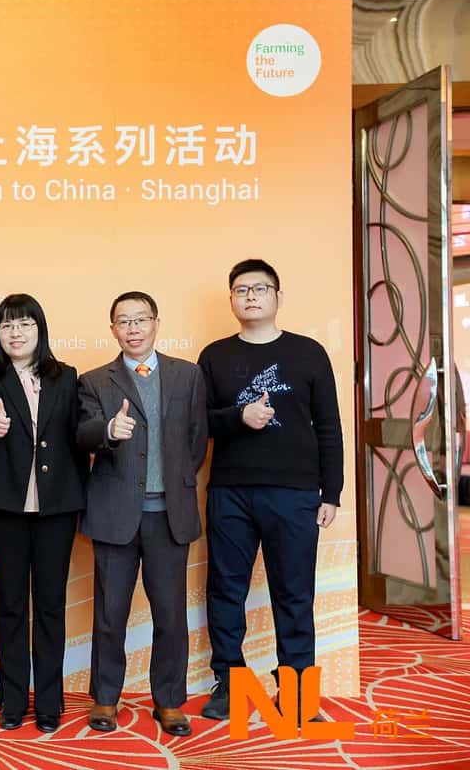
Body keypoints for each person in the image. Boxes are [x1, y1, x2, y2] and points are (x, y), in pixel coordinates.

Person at [197, 259, 342, 722]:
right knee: (225, 590)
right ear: (232, 300)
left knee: (294, 593)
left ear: (278, 296)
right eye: (241, 290)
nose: (251, 297)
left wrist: (332, 491)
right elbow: (198, 422)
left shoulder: (309, 352)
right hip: (231, 492)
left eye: (260, 289)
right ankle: (230, 684)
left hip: (295, 493)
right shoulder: (215, 355)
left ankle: (297, 692)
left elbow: (329, 426)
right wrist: (238, 417)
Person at [77, 291, 207, 738]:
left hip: (169, 515)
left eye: (140, 319)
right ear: (113, 329)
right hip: (115, 514)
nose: (133, 329)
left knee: (170, 615)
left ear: (156, 322)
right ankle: (105, 698)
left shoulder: (188, 375)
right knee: (110, 614)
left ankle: (169, 701)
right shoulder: (95, 380)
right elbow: (83, 433)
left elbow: (197, 440)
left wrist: (173, 481)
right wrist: (109, 430)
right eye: (123, 321)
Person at [0, 294, 89, 733]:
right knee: (12, 605)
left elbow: (79, 434)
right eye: (7, 325)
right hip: (6, 506)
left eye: (24, 324)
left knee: (51, 605)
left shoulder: (67, 376)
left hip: (57, 506)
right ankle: (15, 696)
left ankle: (50, 700)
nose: (15, 333)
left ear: (40, 330)